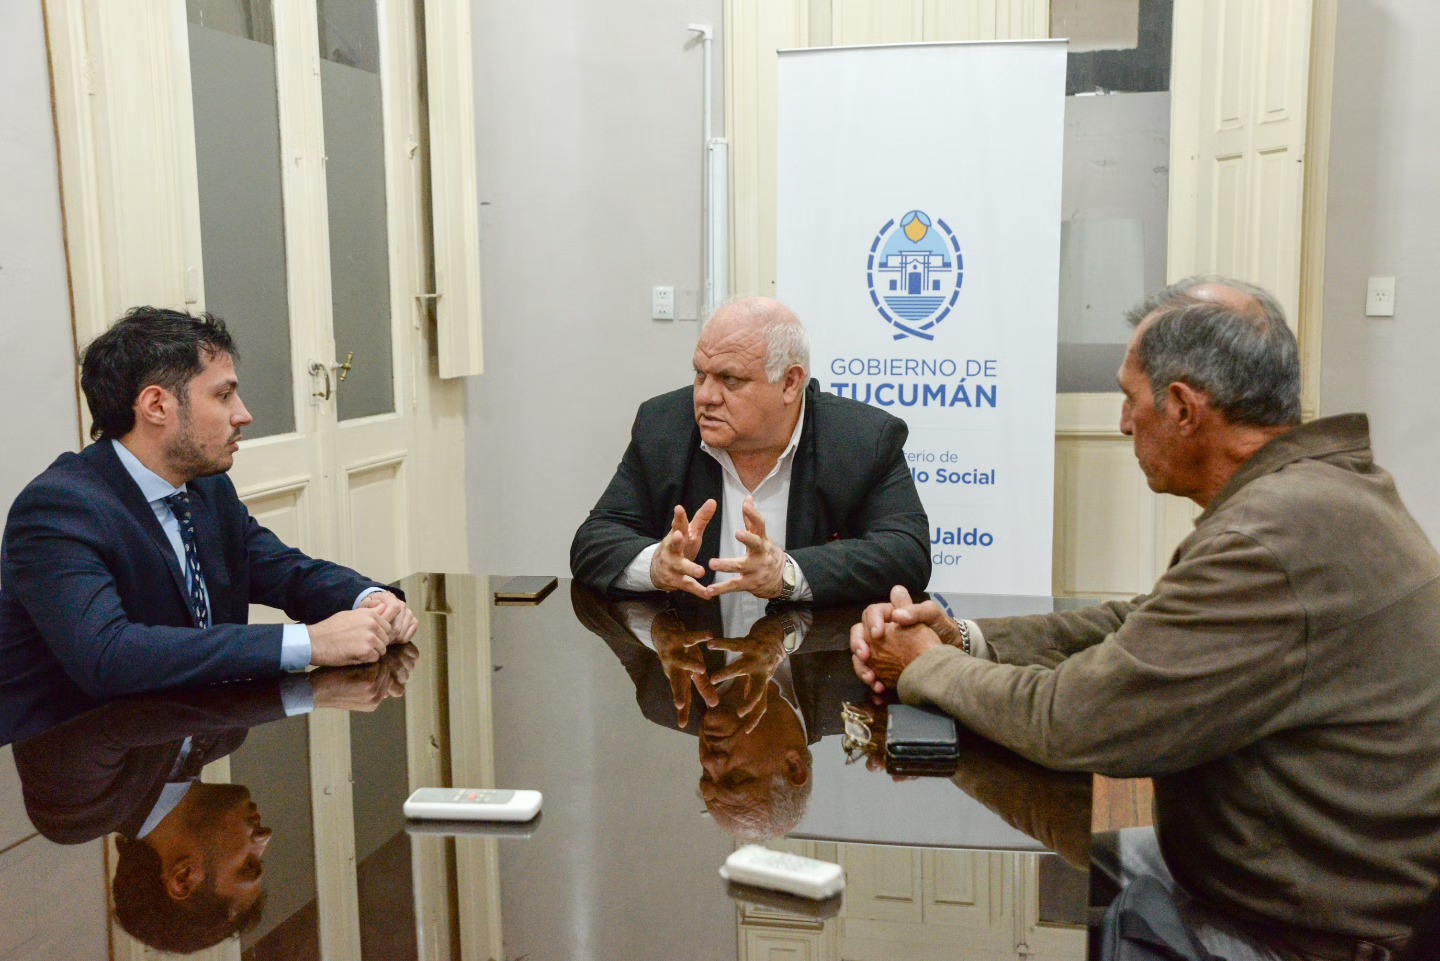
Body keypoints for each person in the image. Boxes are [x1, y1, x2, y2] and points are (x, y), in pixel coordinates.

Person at [850, 278, 1440, 960]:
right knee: (1055, 864)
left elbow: (1072, 722)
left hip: (1304, 930)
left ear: (1184, 408)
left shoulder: (1270, 539)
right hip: (1295, 874)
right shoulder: (1320, 493)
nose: (1124, 424)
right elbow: (1150, 620)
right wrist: (965, 639)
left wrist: (926, 665)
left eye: (1131, 400)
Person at [0, 307, 419, 704]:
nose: (244, 414)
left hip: (195, 727)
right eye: (224, 396)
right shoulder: (58, 511)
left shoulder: (205, 487)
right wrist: (310, 643)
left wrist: (368, 599)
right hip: (87, 742)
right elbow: (109, 656)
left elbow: (284, 571)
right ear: (156, 406)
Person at [570, 296, 929, 604]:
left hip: (811, 658)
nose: (705, 396)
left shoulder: (862, 438)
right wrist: (654, 566)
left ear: (790, 383)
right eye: (700, 375)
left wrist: (787, 574)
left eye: (729, 379)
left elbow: (906, 553)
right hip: (693, 656)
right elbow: (593, 542)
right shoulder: (663, 426)